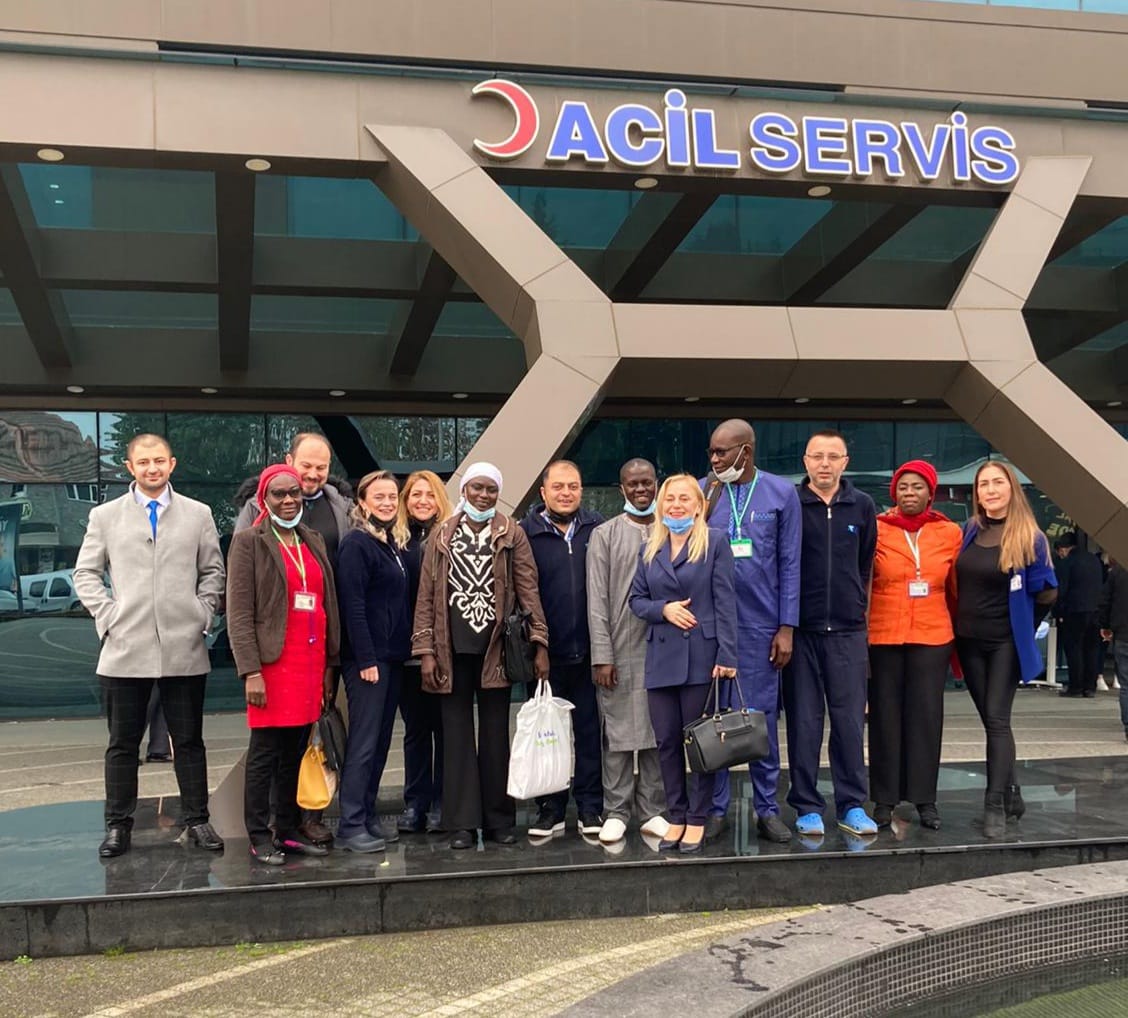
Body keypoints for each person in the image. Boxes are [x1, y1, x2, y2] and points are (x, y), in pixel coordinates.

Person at [73, 433, 226, 859]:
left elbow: (213, 571)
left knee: (189, 741)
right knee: (123, 744)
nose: (152, 468)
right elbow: (85, 573)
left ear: (172, 464)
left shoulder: (198, 514)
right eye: (143, 462)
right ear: (130, 467)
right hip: (125, 649)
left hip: (184, 647)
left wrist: (202, 614)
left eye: (159, 460)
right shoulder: (105, 516)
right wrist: (108, 616)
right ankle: (118, 825)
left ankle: (197, 819)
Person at [411, 462, 549, 849]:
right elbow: (425, 598)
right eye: (477, 488)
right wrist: (425, 651)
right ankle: (461, 825)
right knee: (455, 739)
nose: (484, 495)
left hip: (497, 652)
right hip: (450, 651)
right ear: (464, 491)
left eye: (491, 489)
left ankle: (499, 821)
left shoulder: (511, 533)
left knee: (495, 737)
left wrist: (540, 642)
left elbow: (528, 589)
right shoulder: (441, 534)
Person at [234, 432, 351, 848]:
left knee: (295, 751)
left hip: (310, 664)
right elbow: (239, 612)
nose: (288, 500)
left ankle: (286, 829)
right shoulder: (249, 541)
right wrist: (250, 671)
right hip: (271, 665)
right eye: (279, 493)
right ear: (264, 498)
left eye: (294, 494)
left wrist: (329, 666)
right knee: (265, 753)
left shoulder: (312, 540)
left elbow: (327, 603)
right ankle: (258, 836)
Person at [700, 419, 801, 844]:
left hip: (762, 628)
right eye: (711, 451)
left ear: (746, 450)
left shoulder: (781, 493)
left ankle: (767, 809)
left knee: (760, 721)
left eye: (721, 452)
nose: (714, 459)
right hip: (712, 629)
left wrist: (787, 626)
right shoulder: (705, 491)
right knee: (715, 721)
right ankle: (716, 808)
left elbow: (791, 562)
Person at [629, 474, 738, 854]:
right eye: (670, 499)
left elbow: (726, 601)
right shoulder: (650, 547)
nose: (676, 505)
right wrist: (664, 609)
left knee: (701, 744)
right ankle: (676, 814)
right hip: (661, 658)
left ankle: (697, 817)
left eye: (684, 499)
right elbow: (636, 601)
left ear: (698, 505)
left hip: (701, 659)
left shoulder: (715, 542)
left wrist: (728, 655)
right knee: (666, 742)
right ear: (661, 505)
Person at [956, 461, 1057, 838]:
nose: (990, 490)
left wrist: (1024, 627)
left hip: (1004, 645)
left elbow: (1048, 591)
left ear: (1012, 488)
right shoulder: (970, 530)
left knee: (997, 720)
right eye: (983, 484)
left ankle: (994, 803)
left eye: (998, 482)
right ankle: (1013, 794)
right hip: (969, 641)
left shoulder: (1030, 536)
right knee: (991, 721)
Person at [784, 429, 878, 838]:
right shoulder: (791, 503)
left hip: (847, 632)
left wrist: (855, 606)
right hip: (801, 632)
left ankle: (852, 804)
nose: (825, 464)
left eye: (833, 456)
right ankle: (806, 806)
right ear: (805, 461)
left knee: (849, 724)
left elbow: (865, 564)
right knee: (804, 724)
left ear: (845, 462)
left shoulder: (862, 505)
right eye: (817, 456)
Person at [867, 460, 962, 831]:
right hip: (883, 633)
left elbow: (957, 586)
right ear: (894, 493)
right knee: (884, 718)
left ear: (930, 493)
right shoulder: (877, 528)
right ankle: (884, 798)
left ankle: (925, 799)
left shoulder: (949, 532)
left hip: (932, 634)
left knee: (926, 718)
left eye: (917, 487)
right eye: (903, 487)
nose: (910, 493)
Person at [586, 458, 670, 845]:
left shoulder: (670, 530)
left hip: (663, 647)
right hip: (618, 647)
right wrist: (602, 655)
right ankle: (617, 810)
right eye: (633, 484)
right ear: (621, 489)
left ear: (657, 485)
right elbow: (596, 601)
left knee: (658, 730)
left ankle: (653, 810)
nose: (640, 490)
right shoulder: (604, 535)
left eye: (647, 482)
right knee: (616, 734)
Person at [520, 460, 605, 839]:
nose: (566, 493)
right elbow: (522, 595)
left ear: (581, 490)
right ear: (543, 492)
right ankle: (550, 809)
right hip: (545, 657)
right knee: (548, 738)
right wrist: (536, 646)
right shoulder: (526, 533)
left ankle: (590, 807)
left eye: (573, 486)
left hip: (589, 653)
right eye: (558, 486)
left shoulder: (597, 528)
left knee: (589, 735)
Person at [334, 471, 412, 853]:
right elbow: (353, 606)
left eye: (392, 496)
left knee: (380, 743)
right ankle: (350, 824)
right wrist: (366, 658)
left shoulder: (390, 542)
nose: (386, 503)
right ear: (362, 502)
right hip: (369, 661)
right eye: (378, 497)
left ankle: (367, 815)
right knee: (363, 743)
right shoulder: (356, 544)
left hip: (391, 659)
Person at [393, 469, 452, 834]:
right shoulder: (394, 541)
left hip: (444, 651)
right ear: (406, 500)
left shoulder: (450, 538)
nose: (423, 501)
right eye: (416, 494)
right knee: (415, 731)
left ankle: (444, 802)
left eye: (430, 495)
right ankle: (416, 803)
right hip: (406, 652)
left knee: (445, 730)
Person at [1053, 531, 1104, 699]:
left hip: (1074, 610)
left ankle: (1076, 687)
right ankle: (1090, 687)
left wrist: (1058, 611)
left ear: (1064, 548)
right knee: (1092, 649)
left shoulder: (1068, 562)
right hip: (1095, 610)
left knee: (1074, 649)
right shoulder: (1094, 560)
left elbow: (1062, 589)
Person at [1100, 558, 1128, 740]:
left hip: (1123, 634)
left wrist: (1105, 625)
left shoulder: (1117, 572)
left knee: (1126, 685)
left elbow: (1105, 601)